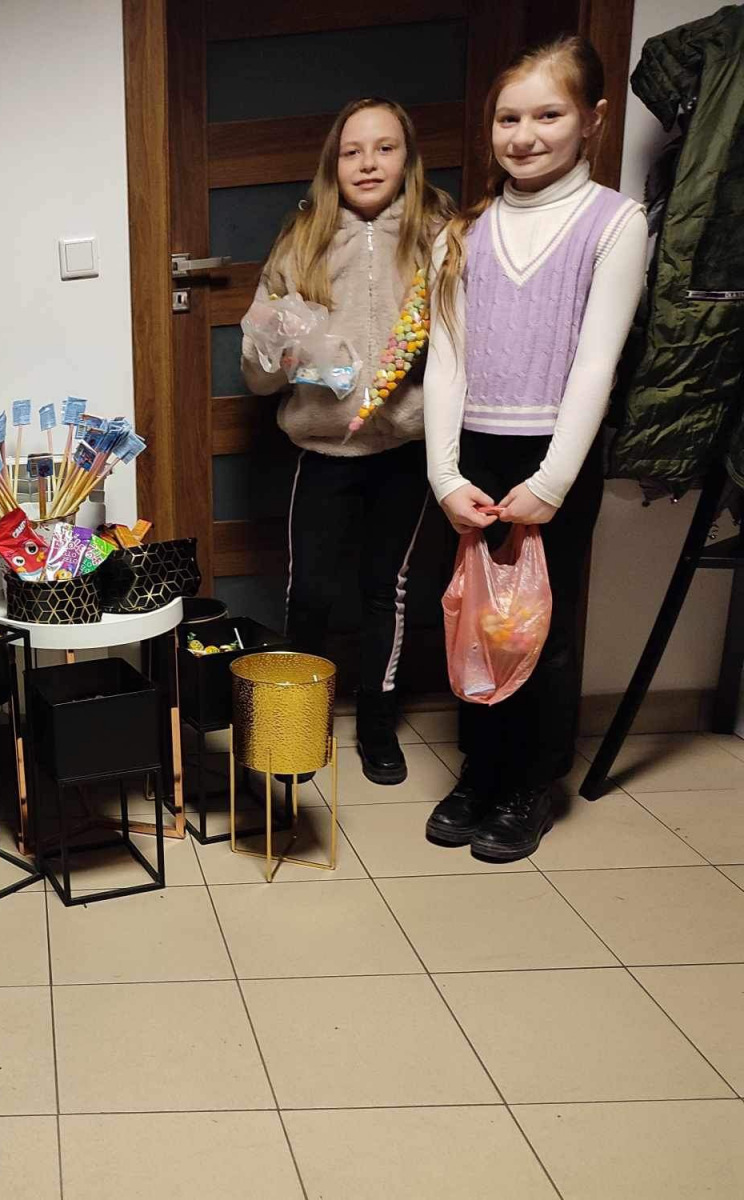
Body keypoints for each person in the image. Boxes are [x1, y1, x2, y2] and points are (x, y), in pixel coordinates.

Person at [423, 36, 646, 861]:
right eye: (507, 118)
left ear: (593, 119)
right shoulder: (462, 232)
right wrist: (444, 474)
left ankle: (530, 785)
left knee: (539, 628)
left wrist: (551, 482)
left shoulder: (615, 223)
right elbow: (445, 360)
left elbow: (595, 363)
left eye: (547, 115)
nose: (524, 135)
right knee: (473, 620)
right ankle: (480, 772)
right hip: (471, 455)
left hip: (556, 457)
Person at [242, 98, 452, 784]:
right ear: (333, 163)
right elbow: (257, 374)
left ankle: (378, 722)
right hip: (324, 451)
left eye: (384, 148)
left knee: (386, 589)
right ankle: (297, 725)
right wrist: (276, 354)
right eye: (352, 151)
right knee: (309, 590)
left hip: (405, 448)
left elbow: (465, 342)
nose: (368, 163)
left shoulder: (439, 236)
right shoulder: (301, 240)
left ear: (407, 158)